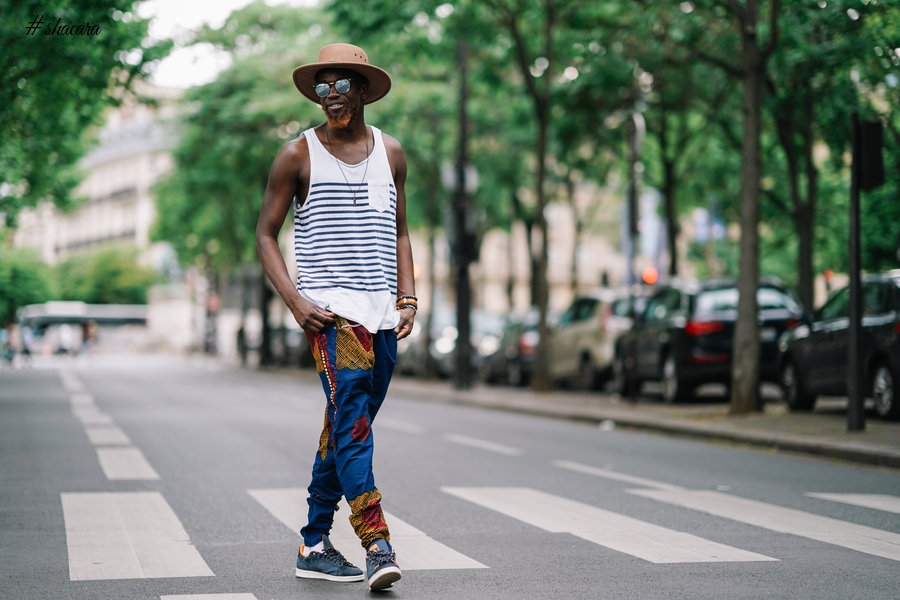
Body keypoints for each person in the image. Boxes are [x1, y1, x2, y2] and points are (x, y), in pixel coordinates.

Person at [255, 43, 416, 592]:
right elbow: (264, 235)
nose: (329, 96)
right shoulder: (296, 155)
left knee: (345, 426)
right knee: (354, 427)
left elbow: (400, 230)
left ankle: (313, 542)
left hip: (381, 316)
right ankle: (377, 545)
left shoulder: (391, 153)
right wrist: (297, 302)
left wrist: (408, 298)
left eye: (340, 85)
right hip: (331, 315)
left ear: (364, 91)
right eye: (321, 87)